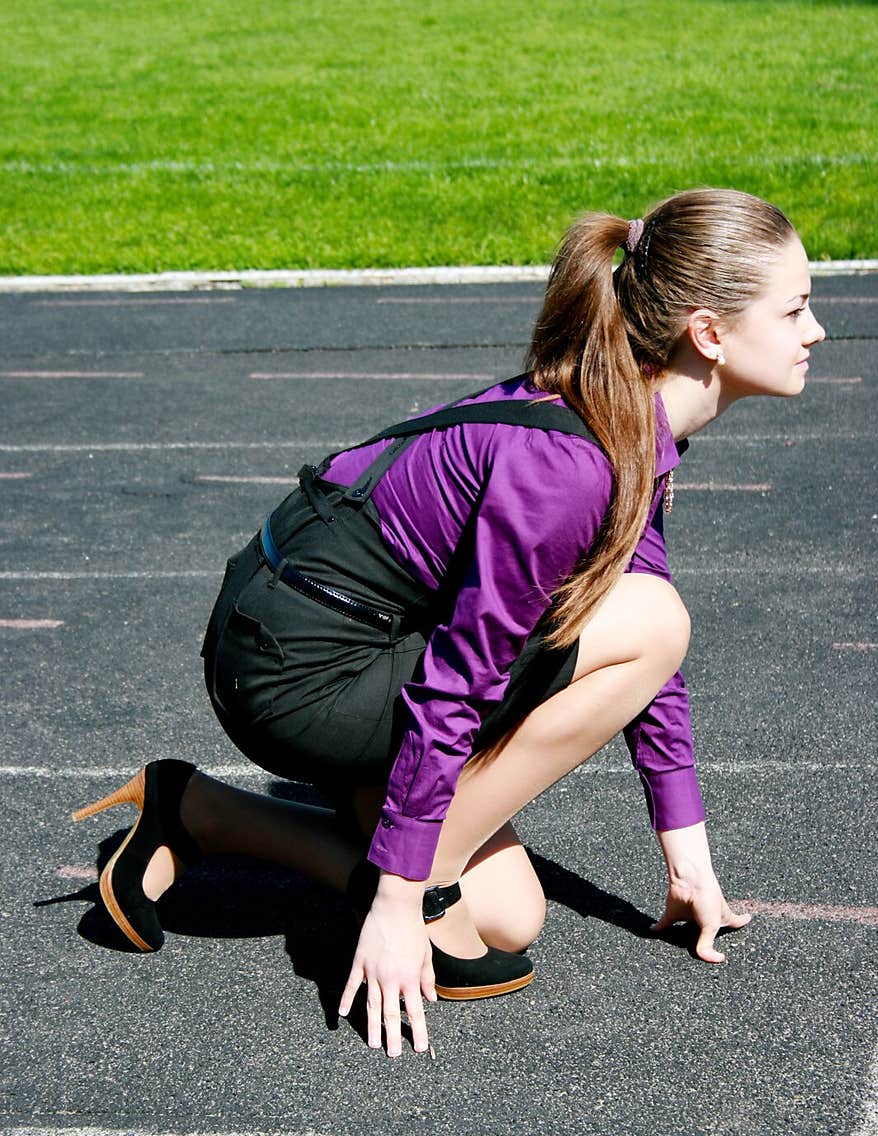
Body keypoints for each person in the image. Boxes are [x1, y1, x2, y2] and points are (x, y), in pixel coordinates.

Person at [72, 187, 825, 1060]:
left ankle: (193, 811)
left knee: (510, 915)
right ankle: (407, 872)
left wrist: (685, 852)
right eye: (797, 308)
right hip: (294, 671)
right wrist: (396, 899)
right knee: (655, 623)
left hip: (341, 644)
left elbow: (632, 629)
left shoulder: (626, 419)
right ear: (710, 333)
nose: (816, 332)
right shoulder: (573, 462)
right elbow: (467, 673)